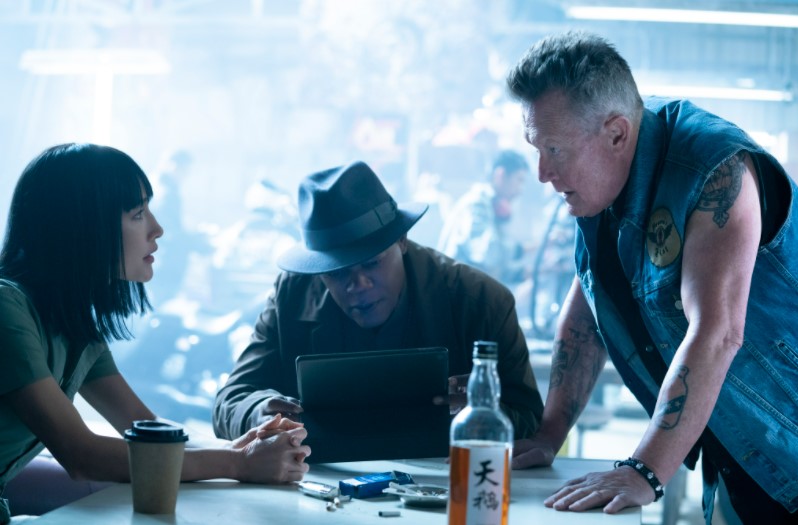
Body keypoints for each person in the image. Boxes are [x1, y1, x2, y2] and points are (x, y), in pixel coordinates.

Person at [506, 31, 798, 524]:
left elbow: (718, 332)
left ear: (616, 134)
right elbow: (590, 309)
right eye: (536, 148)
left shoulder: (715, 170)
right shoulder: (602, 183)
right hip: (739, 453)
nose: (541, 172)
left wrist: (645, 469)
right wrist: (549, 432)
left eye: (554, 149)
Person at [0, 144, 310, 522]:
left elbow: (144, 428)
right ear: (83, 229)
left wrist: (241, 445)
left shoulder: (75, 326)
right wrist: (238, 462)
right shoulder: (6, 310)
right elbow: (81, 455)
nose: (157, 228)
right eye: (138, 214)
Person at [213, 161, 544, 444]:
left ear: (402, 241)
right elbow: (230, 401)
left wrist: (482, 413)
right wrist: (258, 413)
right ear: (318, 271)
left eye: (371, 263)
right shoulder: (292, 294)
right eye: (337, 273)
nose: (358, 285)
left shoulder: (479, 301)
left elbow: (530, 418)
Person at [437, 150, 533, 286]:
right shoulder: (476, 204)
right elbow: (488, 254)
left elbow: (491, 270)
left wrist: (536, 270)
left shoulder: (491, 206)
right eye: (519, 180)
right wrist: (524, 249)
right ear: (500, 175)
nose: (520, 190)